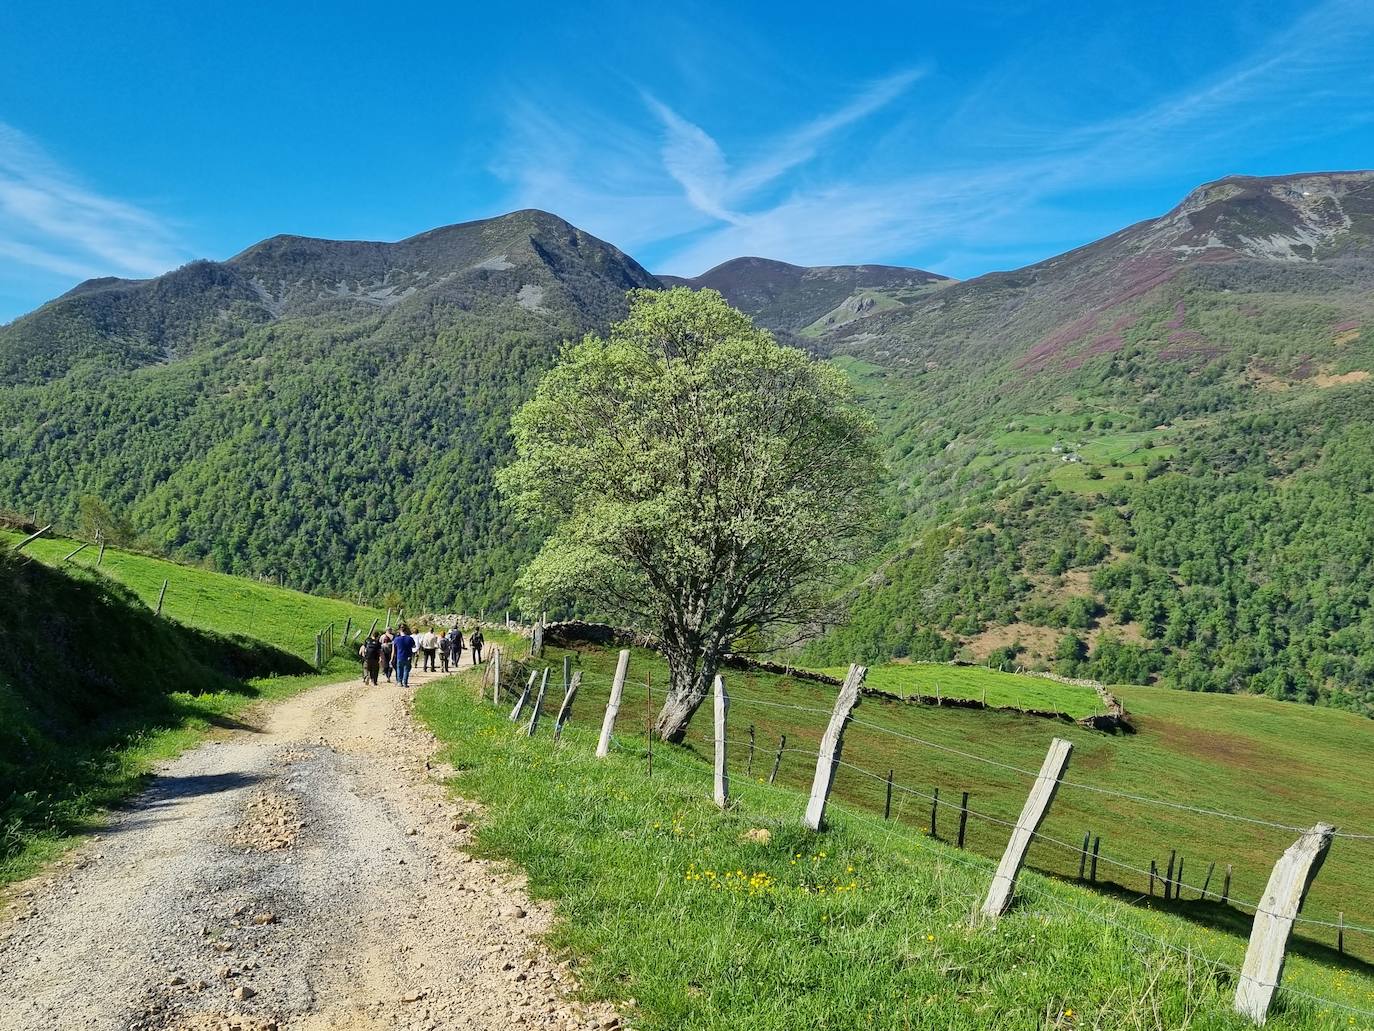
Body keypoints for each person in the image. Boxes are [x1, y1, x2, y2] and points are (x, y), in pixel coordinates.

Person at [392, 623, 416, 688]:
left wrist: (391, 659)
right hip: (408, 656)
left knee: (399, 669)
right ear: (406, 631)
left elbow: (394, 650)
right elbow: (414, 646)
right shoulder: (410, 638)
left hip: (399, 656)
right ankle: (405, 683)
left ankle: (399, 682)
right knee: (406, 670)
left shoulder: (396, 639)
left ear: (399, 631)